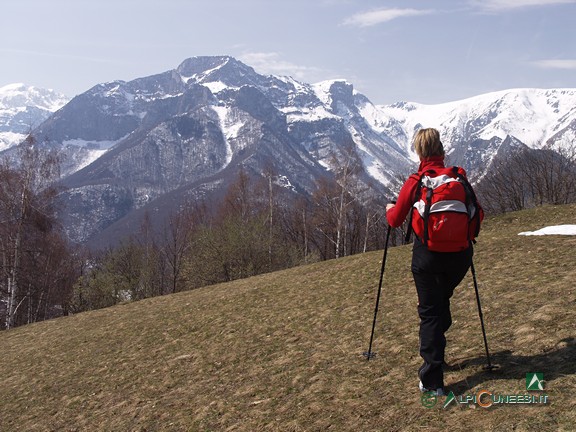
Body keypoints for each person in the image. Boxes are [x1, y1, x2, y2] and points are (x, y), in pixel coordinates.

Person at [385, 128, 483, 396]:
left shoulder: (417, 180)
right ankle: (437, 353)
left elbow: (395, 220)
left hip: (427, 257)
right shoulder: (458, 177)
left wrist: (388, 208)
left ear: (419, 152)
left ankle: (432, 381)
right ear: (441, 150)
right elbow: (478, 214)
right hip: (460, 257)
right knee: (440, 305)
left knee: (430, 313)